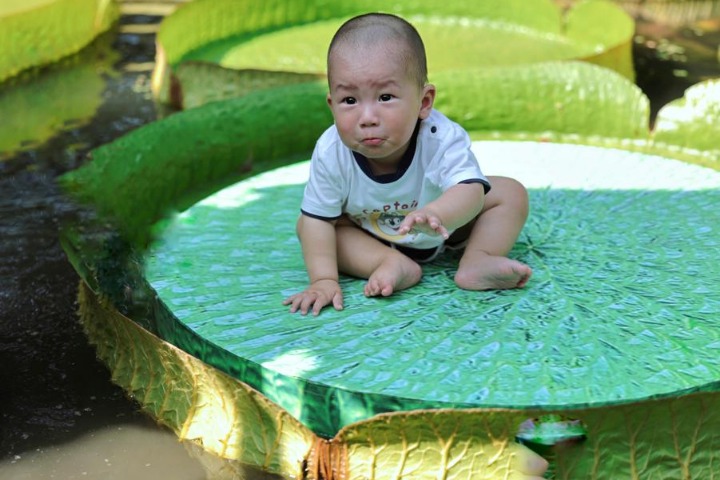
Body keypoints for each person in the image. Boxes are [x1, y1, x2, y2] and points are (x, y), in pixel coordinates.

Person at [283, 12, 532, 316]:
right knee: (310, 225)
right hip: (370, 236)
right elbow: (319, 220)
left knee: (509, 193)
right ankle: (388, 263)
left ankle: (478, 258)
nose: (367, 118)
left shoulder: (440, 137)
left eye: (385, 97)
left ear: (424, 102)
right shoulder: (330, 150)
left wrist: (439, 212)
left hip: (446, 229)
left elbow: (470, 189)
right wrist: (323, 279)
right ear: (332, 105)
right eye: (350, 101)